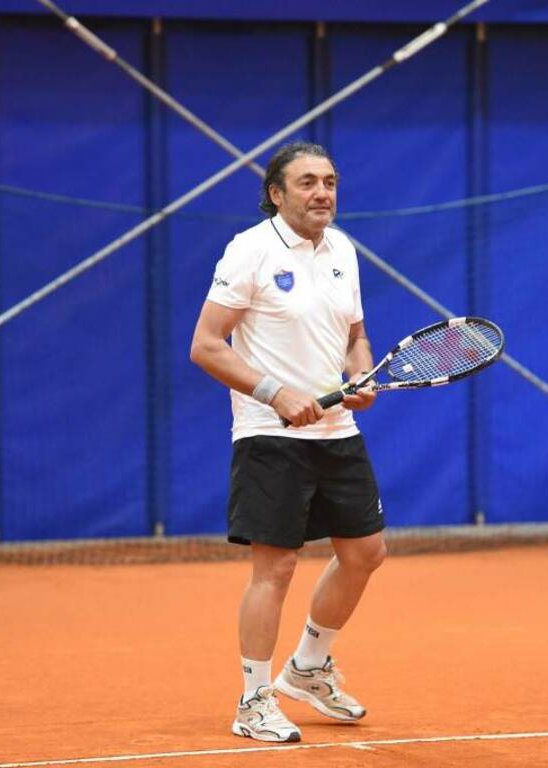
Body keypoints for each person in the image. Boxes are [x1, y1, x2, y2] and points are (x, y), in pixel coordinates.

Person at [190, 141, 387, 743]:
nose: (321, 192)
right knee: (275, 569)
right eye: (307, 183)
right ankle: (253, 700)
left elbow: (355, 335)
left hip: (337, 432)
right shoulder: (249, 251)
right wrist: (276, 393)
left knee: (365, 553)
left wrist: (361, 374)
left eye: (329, 181)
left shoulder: (343, 249)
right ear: (276, 194)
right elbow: (206, 345)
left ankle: (306, 668)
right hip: (270, 437)